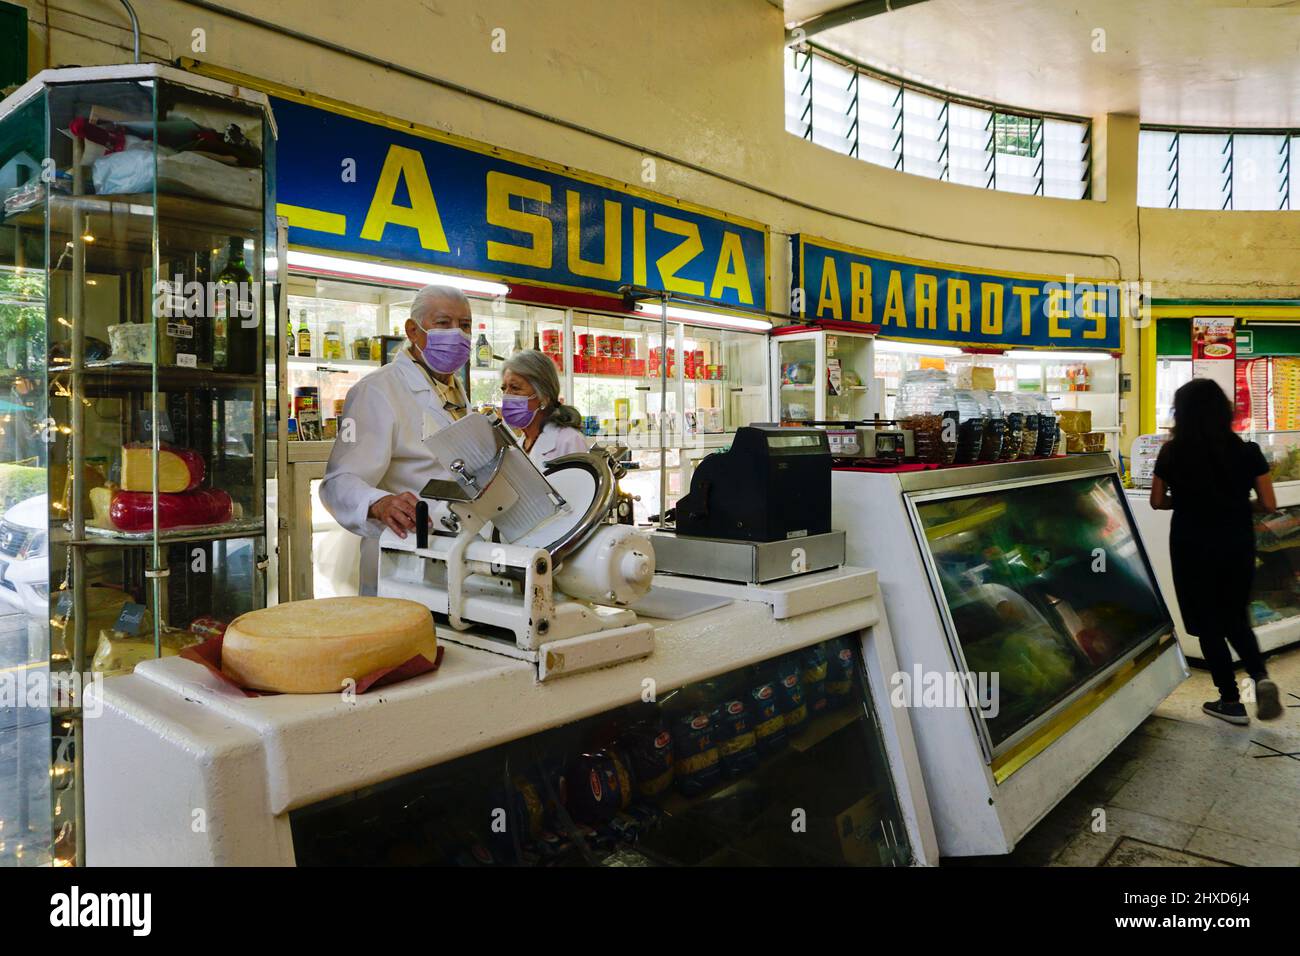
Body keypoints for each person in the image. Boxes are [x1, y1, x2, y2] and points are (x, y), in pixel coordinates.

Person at [319, 284, 472, 595]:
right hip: (401, 560)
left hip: (456, 556)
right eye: (443, 323)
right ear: (413, 332)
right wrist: (379, 503)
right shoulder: (377, 390)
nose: (457, 334)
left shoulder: (455, 392)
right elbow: (338, 482)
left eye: (465, 325)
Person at [1150, 378, 1282, 724]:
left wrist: (1193, 501)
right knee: (1235, 616)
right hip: (1236, 542)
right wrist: (1234, 504)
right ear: (1224, 412)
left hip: (1191, 542)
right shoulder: (1247, 451)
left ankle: (1230, 701)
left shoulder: (1171, 452)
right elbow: (1268, 503)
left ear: (1182, 413)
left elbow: (1157, 501)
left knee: (1207, 623)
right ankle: (1261, 678)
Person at [499, 349, 587, 468]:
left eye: (515, 388)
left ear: (543, 397)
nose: (507, 396)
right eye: (504, 389)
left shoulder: (569, 440)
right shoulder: (520, 444)